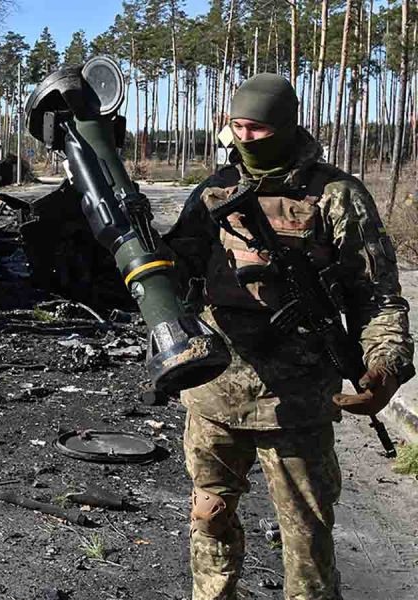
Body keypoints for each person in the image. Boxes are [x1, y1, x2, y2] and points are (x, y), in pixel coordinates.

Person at [163, 73, 414, 600]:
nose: (246, 138)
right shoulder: (212, 193)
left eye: (258, 129)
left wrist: (385, 365)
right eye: (237, 127)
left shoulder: (337, 196)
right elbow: (172, 274)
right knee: (209, 517)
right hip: (215, 393)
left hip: (298, 401)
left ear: (286, 126)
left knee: (307, 544)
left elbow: (377, 296)